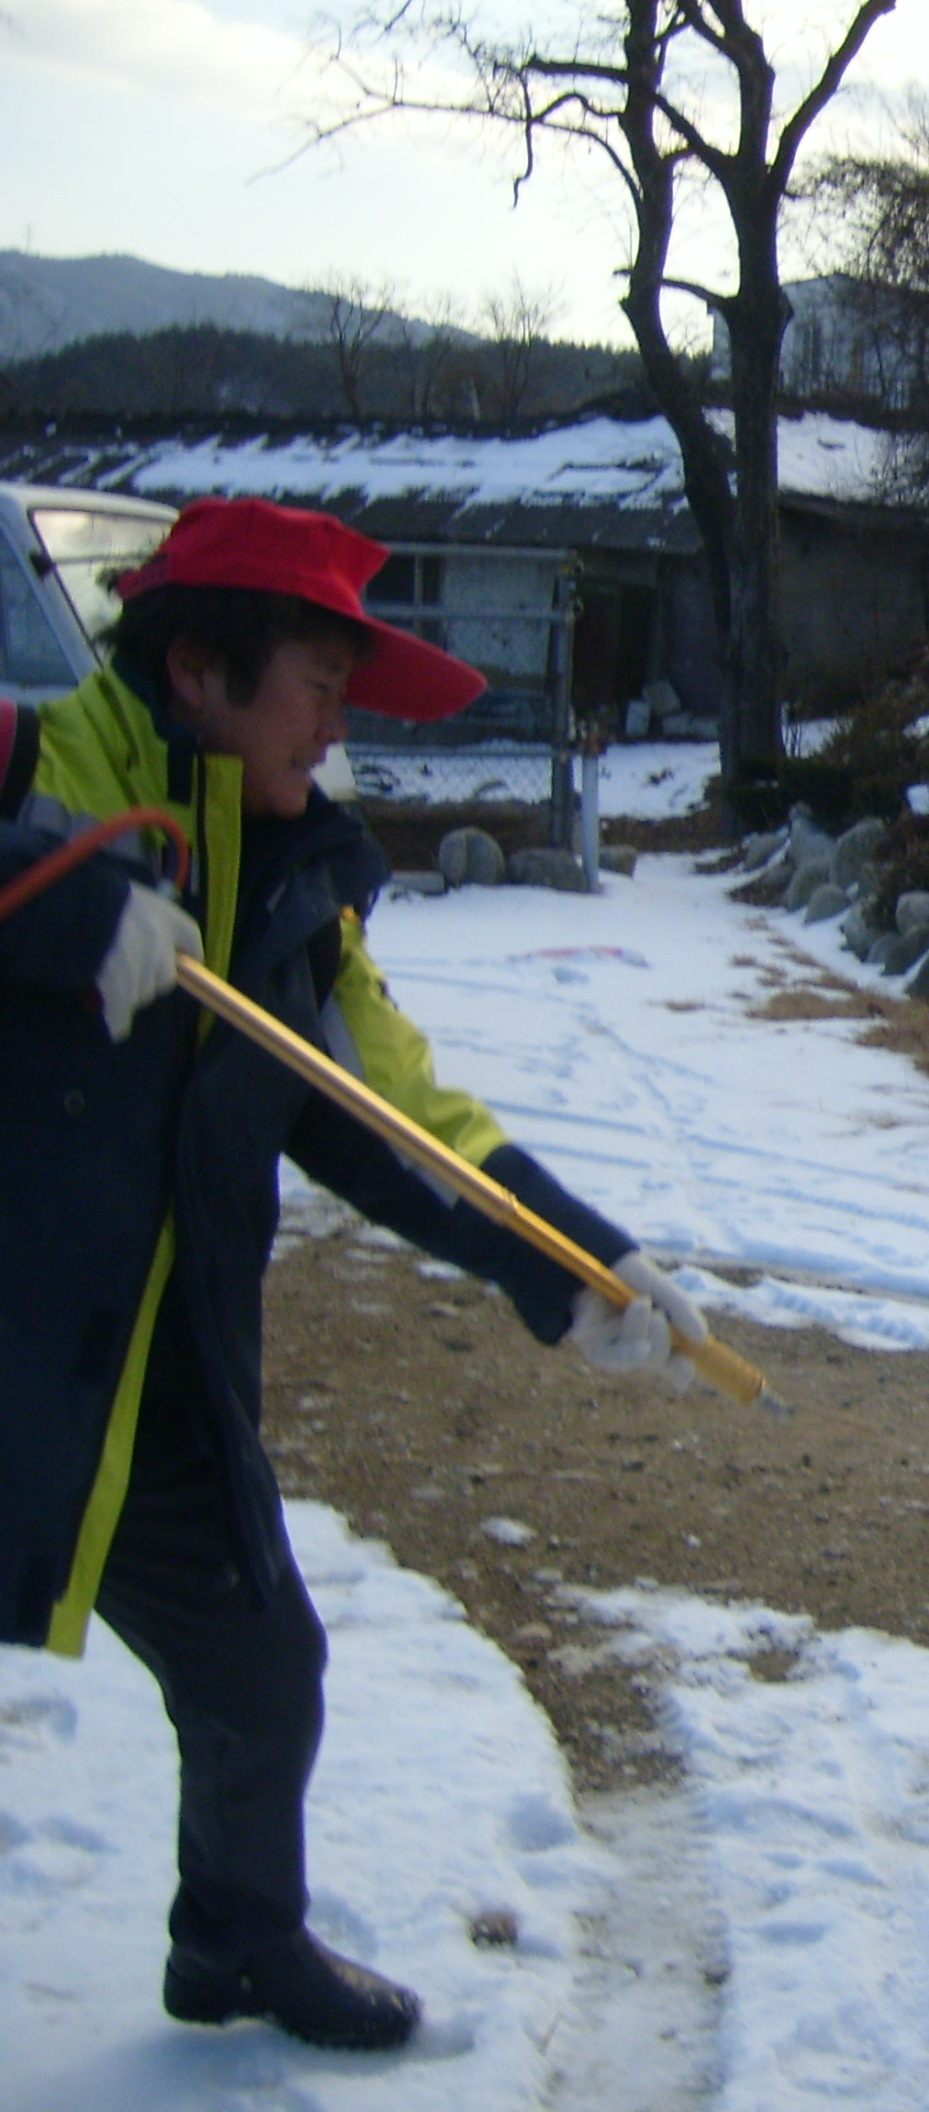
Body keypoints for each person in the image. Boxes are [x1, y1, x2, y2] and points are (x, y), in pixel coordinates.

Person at [0, 498, 712, 2053]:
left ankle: (237, 1942)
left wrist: (575, 1263)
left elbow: (391, 1111)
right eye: (319, 690)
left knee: (261, 1667)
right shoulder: (41, 767)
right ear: (199, 671)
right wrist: (58, 908)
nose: (338, 732)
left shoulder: (289, 879)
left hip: (152, 1372)